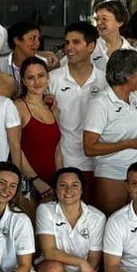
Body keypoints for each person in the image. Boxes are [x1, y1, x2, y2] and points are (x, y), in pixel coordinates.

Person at [82, 49, 137, 215]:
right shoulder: (100, 103)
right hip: (111, 173)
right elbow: (89, 148)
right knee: (111, 223)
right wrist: (128, 143)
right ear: (128, 75)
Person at [48, 22, 108, 182]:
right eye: (67, 42)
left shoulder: (105, 80)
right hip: (64, 162)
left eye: (76, 42)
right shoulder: (53, 79)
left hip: (98, 164)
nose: (68, 47)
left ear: (91, 46)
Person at [14, 57, 61, 208]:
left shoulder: (51, 107)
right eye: (30, 77)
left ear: (48, 77)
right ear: (23, 81)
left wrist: (60, 179)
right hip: (28, 182)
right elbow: (16, 148)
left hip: (53, 181)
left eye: (41, 76)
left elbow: (58, 148)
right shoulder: (18, 107)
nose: (37, 82)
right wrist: (35, 180)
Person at [0, 21, 56, 86]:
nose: (37, 43)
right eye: (32, 38)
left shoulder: (45, 64)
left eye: (38, 39)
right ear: (17, 40)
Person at [90, 0, 134, 72]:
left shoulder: (132, 53)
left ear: (120, 22)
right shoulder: (88, 48)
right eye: (97, 19)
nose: (99, 23)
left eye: (104, 19)